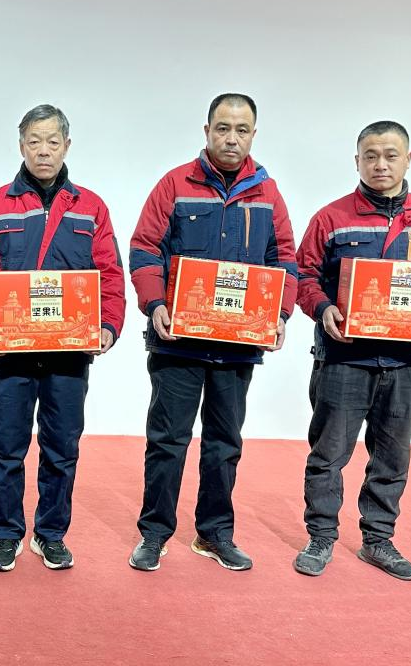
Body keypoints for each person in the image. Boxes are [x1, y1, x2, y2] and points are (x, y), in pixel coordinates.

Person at [127, 93, 297, 572]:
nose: (231, 138)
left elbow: (284, 258)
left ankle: (215, 533)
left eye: (241, 130)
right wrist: (155, 303)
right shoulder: (175, 184)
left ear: (253, 135)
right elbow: (144, 248)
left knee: (224, 444)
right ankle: (154, 533)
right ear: (207, 131)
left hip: (237, 347)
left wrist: (280, 313)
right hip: (178, 342)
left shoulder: (268, 194)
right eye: (223, 128)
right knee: (168, 440)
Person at [292, 120, 411, 580]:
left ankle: (378, 540)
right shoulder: (331, 218)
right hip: (344, 359)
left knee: (392, 456)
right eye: (370, 156)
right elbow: (303, 276)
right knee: (328, 455)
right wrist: (323, 308)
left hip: (408, 364)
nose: (380, 164)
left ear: (409, 159)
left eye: (391, 155)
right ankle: (321, 537)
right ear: (357, 161)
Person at [0, 105, 126, 571]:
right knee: (5, 446)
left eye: (53, 141)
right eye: (34, 141)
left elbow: (110, 273)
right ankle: (6, 534)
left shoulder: (91, 207)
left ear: (67, 146)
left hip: (69, 353)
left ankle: (51, 534)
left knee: (62, 447)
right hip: (10, 351)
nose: (44, 151)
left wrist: (109, 324)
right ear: (21, 146)